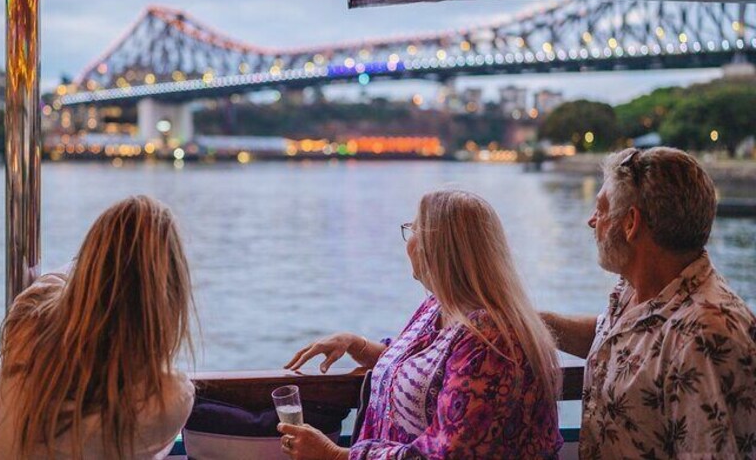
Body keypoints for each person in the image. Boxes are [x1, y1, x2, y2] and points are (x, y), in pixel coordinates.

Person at [279, 190, 563, 459]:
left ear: (439, 250)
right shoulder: (440, 305)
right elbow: (424, 369)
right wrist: (357, 345)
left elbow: (450, 453)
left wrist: (333, 455)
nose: (408, 242)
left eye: (413, 230)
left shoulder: (490, 339)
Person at [542, 147, 756, 459]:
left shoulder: (703, 338)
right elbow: (616, 342)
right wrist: (524, 321)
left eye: (601, 209)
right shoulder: (639, 290)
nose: (592, 221)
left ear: (630, 223)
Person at [0, 195, 198, 459]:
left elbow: (63, 281)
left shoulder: (27, 319)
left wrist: (103, 258)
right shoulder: (168, 399)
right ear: (171, 295)